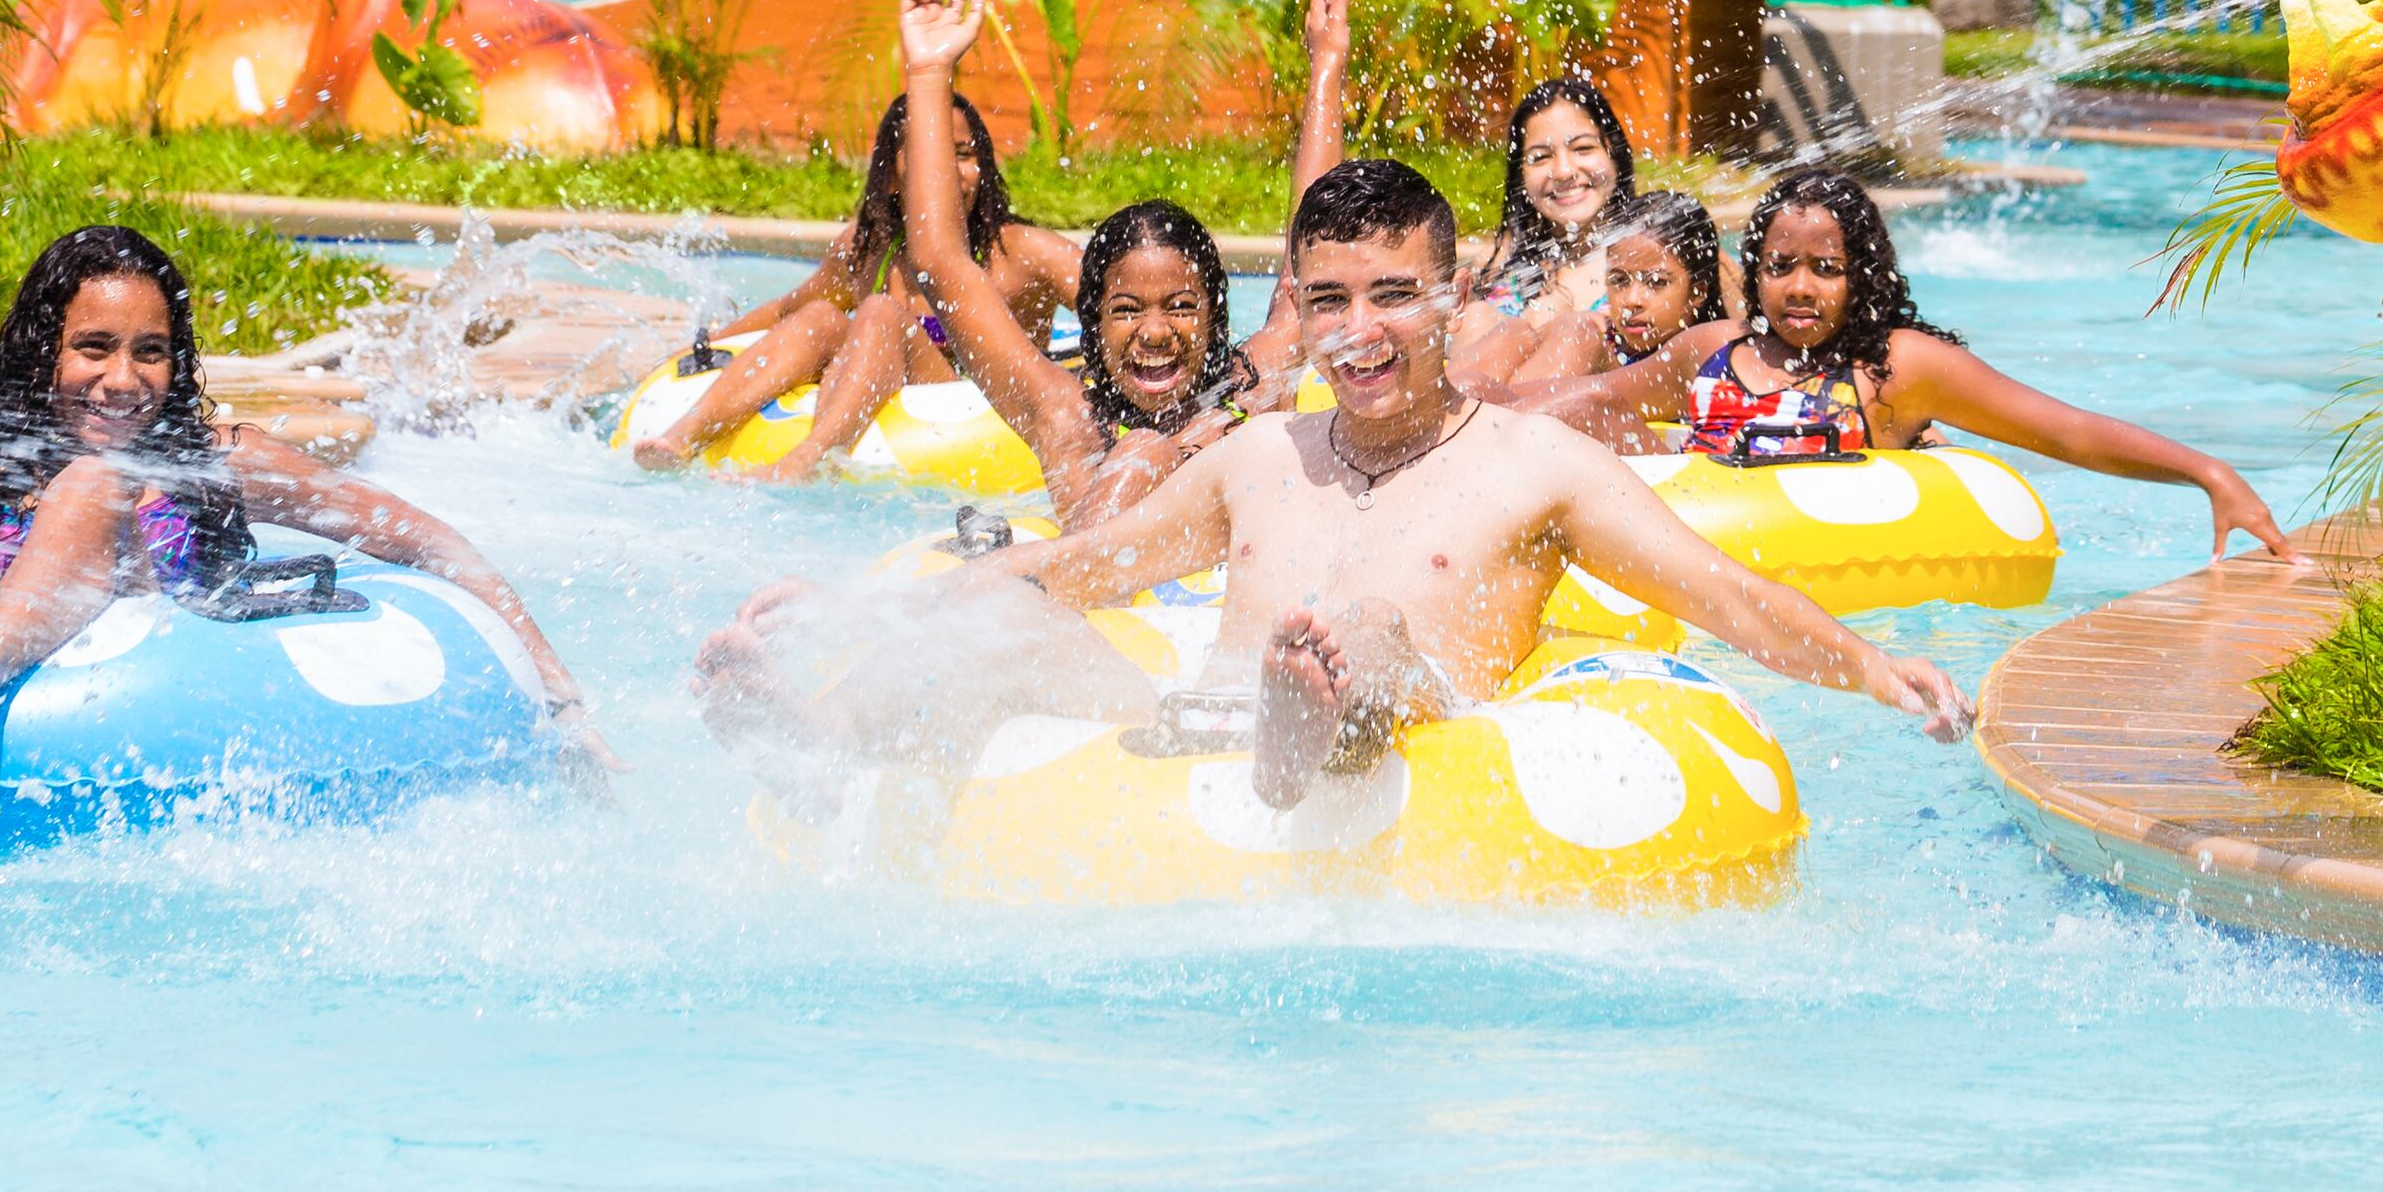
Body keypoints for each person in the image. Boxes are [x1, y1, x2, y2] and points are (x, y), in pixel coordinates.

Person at [699, 156, 1972, 813]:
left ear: (1452, 294)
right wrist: (868, 614)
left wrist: (1874, 667)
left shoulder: (1538, 468)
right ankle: (809, 748)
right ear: (1297, 311)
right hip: (1192, 743)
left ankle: (1296, 738)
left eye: (1393, 296)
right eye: (1328, 301)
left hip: (1406, 738)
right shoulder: (1260, 455)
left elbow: (1727, 599)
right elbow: (1074, 569)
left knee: (1355, 629)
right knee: (1008, 612)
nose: (1359, 331)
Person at [0, 223, 607, 775]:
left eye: (151, 352)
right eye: (94, 348)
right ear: (44, 353)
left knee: (95, 483)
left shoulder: (217, 460)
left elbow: (423, 539)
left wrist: (558, 688)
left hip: (154, 650)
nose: (123, 380)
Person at [884, 0, 1350, 527]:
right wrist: (930, 71)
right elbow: (941, 263)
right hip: (1094, 594)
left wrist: (1326, 67)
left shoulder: (1256, 388)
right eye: (1126, 311)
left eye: (1181, 307)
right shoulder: (1067, 419)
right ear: (1092, 321)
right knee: (1138, 457)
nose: (1155, 333)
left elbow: (1314, 247)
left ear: (1215, 313)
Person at [1678, 168, 2290, 554]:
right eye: (1779, 267)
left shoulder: (1894, 369)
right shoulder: (1714, 349)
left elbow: (2066, 432)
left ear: (1863, 275)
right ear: (1753, 271)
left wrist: (2209, 473)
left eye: (1827, 269)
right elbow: (1599, 403)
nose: (1801, 288)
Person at [626, 82, 1087, 474]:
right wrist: (694, 353)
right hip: (887, 396)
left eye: (964, 154)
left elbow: (1112, 300)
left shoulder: (1021, 253)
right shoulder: (867, 250)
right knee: (821, 317)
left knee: (880, 312)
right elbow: (787, 310)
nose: (947, 172)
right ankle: (683, 436)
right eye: (931, 157)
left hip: (977, 404)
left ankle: (809, 458)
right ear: (890, 177)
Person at [1484, 189, 1731, 446]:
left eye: (1657, 283)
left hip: (1666, 470)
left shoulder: (1715, 356)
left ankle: (1484, 430)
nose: (1632, 300)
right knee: (1511, 330)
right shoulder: (1603, 337)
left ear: (1698, 292)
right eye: (1619, 281)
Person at [1457, 74, 1640, 379]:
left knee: (1571, 329)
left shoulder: (1660, 256)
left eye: (1583, 148)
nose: (1564, 171)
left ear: (1613, 152)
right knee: (1474, 317)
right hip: (1498, 414)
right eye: (1540, 157)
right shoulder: (1496, 264)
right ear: (1520, 174)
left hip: (1597, 413)